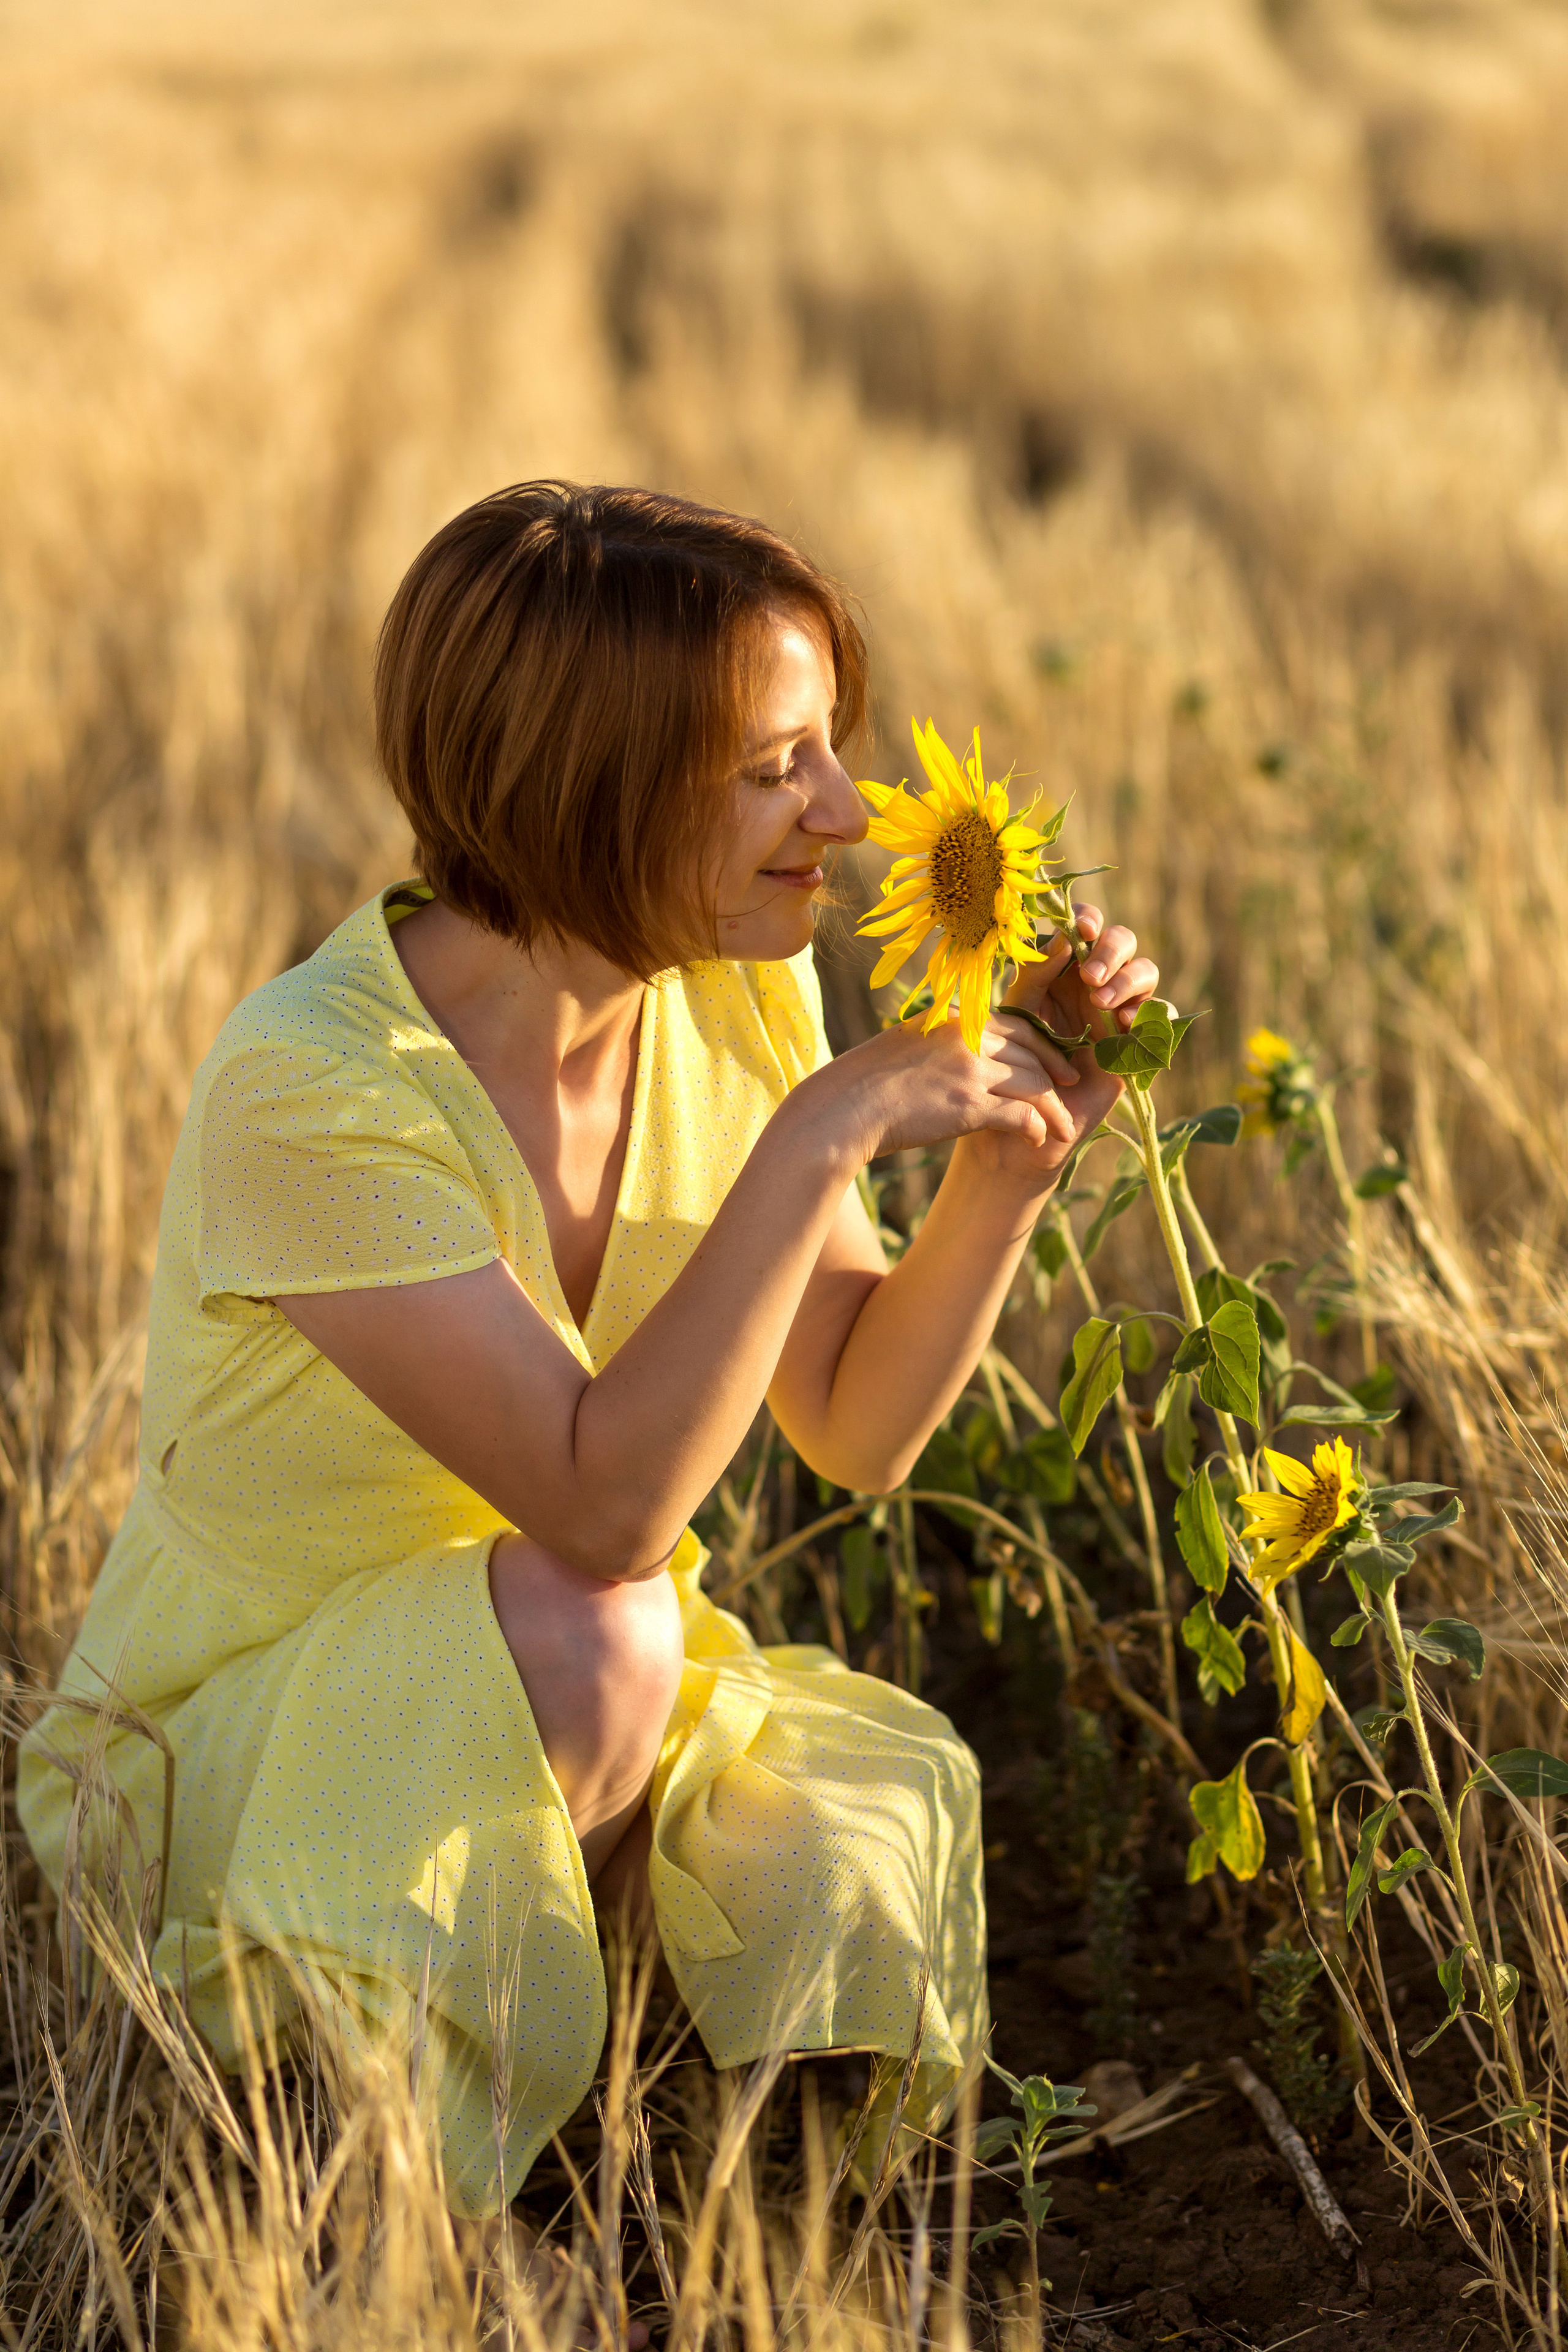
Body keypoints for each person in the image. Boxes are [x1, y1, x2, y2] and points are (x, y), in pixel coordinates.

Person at [19, 483, 1158, 2216]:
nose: (846, 814)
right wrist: (827, 1129)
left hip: (544, 1709)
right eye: (779, 766)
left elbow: (856, 1424)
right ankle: (404, 2216)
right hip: (242, 1756)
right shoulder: (314, 1085)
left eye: (830, 751)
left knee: (855, 1830)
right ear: (595, 784)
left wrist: (1008, 1173)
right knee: (604, 1625)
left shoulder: (726, 999)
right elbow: (606, 1503)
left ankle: (599, 2133)